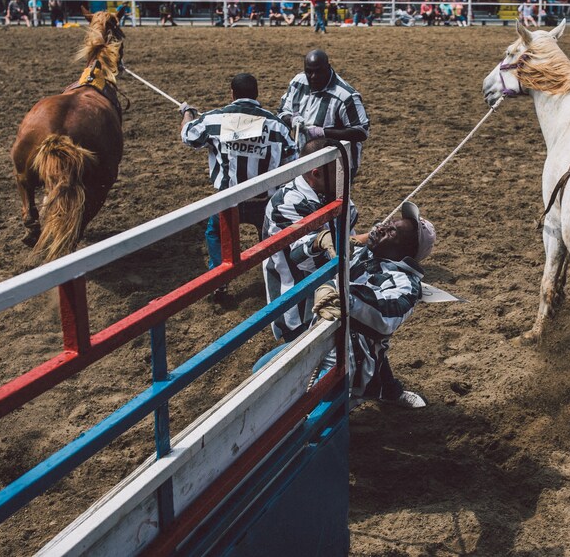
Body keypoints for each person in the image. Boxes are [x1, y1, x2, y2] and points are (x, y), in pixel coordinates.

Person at [180, 73, 298, 298]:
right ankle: (274, 275)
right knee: (270, 236)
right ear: (257, 94)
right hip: (263, 200)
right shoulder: (276, 125)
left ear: (232, 94)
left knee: (215, 232)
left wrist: (187, 113)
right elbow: (291, 161)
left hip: (228, 199)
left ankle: (219, 278)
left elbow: (188, 135)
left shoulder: (214, 120)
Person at [311, 200, 436, 409]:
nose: (380, 227)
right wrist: (319, 242)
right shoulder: (365, 253)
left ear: (403, 252)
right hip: (320, 339)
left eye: (392, 232)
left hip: (348, 360)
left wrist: (344, 299)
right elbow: (299, 258)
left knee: (316, 413)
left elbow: (384, 317)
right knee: (263, 368)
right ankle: (389, 390)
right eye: (388, 223)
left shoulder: (405, 285)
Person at [261, 139, 359, 342]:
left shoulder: (333, 191)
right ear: (316, 174)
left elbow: (350, 220)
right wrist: (323, 240)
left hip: (330, 294)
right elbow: (307, 261)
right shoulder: (287, 203)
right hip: (297, 306)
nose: (345, 178)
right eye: (339, 172)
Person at [277, 49, 370, 177]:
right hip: (302, 160)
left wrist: (322, 132)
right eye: (309, 72)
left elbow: (361, 132)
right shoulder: (297, 83)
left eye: (318, 71)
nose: (313, 77)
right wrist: (292, 120)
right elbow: (282, 112)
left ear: (328, 68)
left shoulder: (345, 96)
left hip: (336, 166)